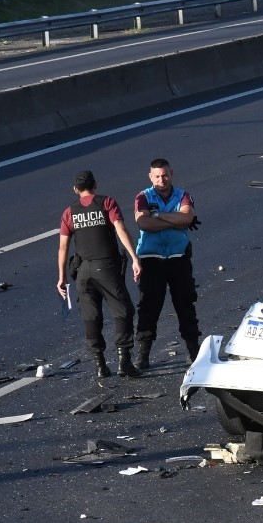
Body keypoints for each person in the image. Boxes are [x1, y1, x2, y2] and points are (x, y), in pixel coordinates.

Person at [57, 170, 143, 378]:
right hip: (106, 267)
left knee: (90, 316)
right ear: (95, 185)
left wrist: (61, 278)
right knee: (122, 310)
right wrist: (134, 258)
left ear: (76, 190)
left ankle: (100, 365)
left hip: (83, 272)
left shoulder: (69, 212)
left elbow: (63, 248)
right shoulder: (107, 203)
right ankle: (124, 361)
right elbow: (120, 229)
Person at [133, 158, 202, 370]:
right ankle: (143, 355)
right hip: (151, 259)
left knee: (185, 304)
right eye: (157, 176)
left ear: (171, 173)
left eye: (165, 175)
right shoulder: (143, 196)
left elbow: (187, 219)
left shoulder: (183, 195)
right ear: (150, 177)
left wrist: (159, 216)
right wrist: (174, 219)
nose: (161, 180)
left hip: (178, 258)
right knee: (148, 307)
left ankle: (194, 351)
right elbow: (142, 222)